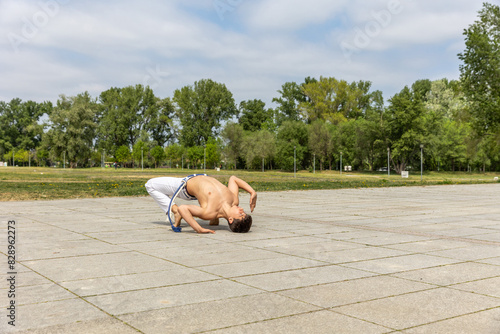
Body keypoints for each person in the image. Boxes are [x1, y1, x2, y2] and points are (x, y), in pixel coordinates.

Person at [145, 175, 257, 234]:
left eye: (241, 214)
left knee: (150, 185)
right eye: (244, 212)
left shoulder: (210, 212)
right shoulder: (234, 200)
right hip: (200, 177)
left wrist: (198, 228)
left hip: (184, 187)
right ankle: (214, 221)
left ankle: (174, 210)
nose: (242, 209)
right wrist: (252, 192)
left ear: (231, 219)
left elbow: (183, 208)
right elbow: (233, 179)